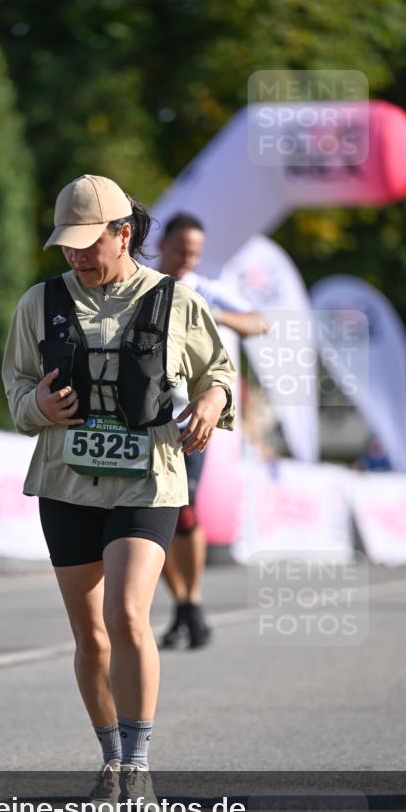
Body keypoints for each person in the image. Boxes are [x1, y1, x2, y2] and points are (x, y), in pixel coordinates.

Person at [2, 175, 236, 812]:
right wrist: (38, 405)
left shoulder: (174, 300)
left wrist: (212, 402)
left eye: (88, 242)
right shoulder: (41, 301)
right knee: (90, 635)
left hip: (150, 476)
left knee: (127, 614)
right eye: (67, 245)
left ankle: (138, 766)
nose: (76, 255)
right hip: (67, 481)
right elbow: (17, 385)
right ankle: (109, 757)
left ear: (123, 232)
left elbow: (219, 372)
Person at [157, 213, 269, 648]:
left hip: (188, 419)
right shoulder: (141, 283)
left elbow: (259, 322)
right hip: (142, 420)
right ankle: (184, 605)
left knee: (184, 513)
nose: (188, 259)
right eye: (181, 249)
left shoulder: (203, 289)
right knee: (151, 516)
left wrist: (214, 313)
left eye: (196, 253)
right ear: (162, 244)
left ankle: (193, 601)